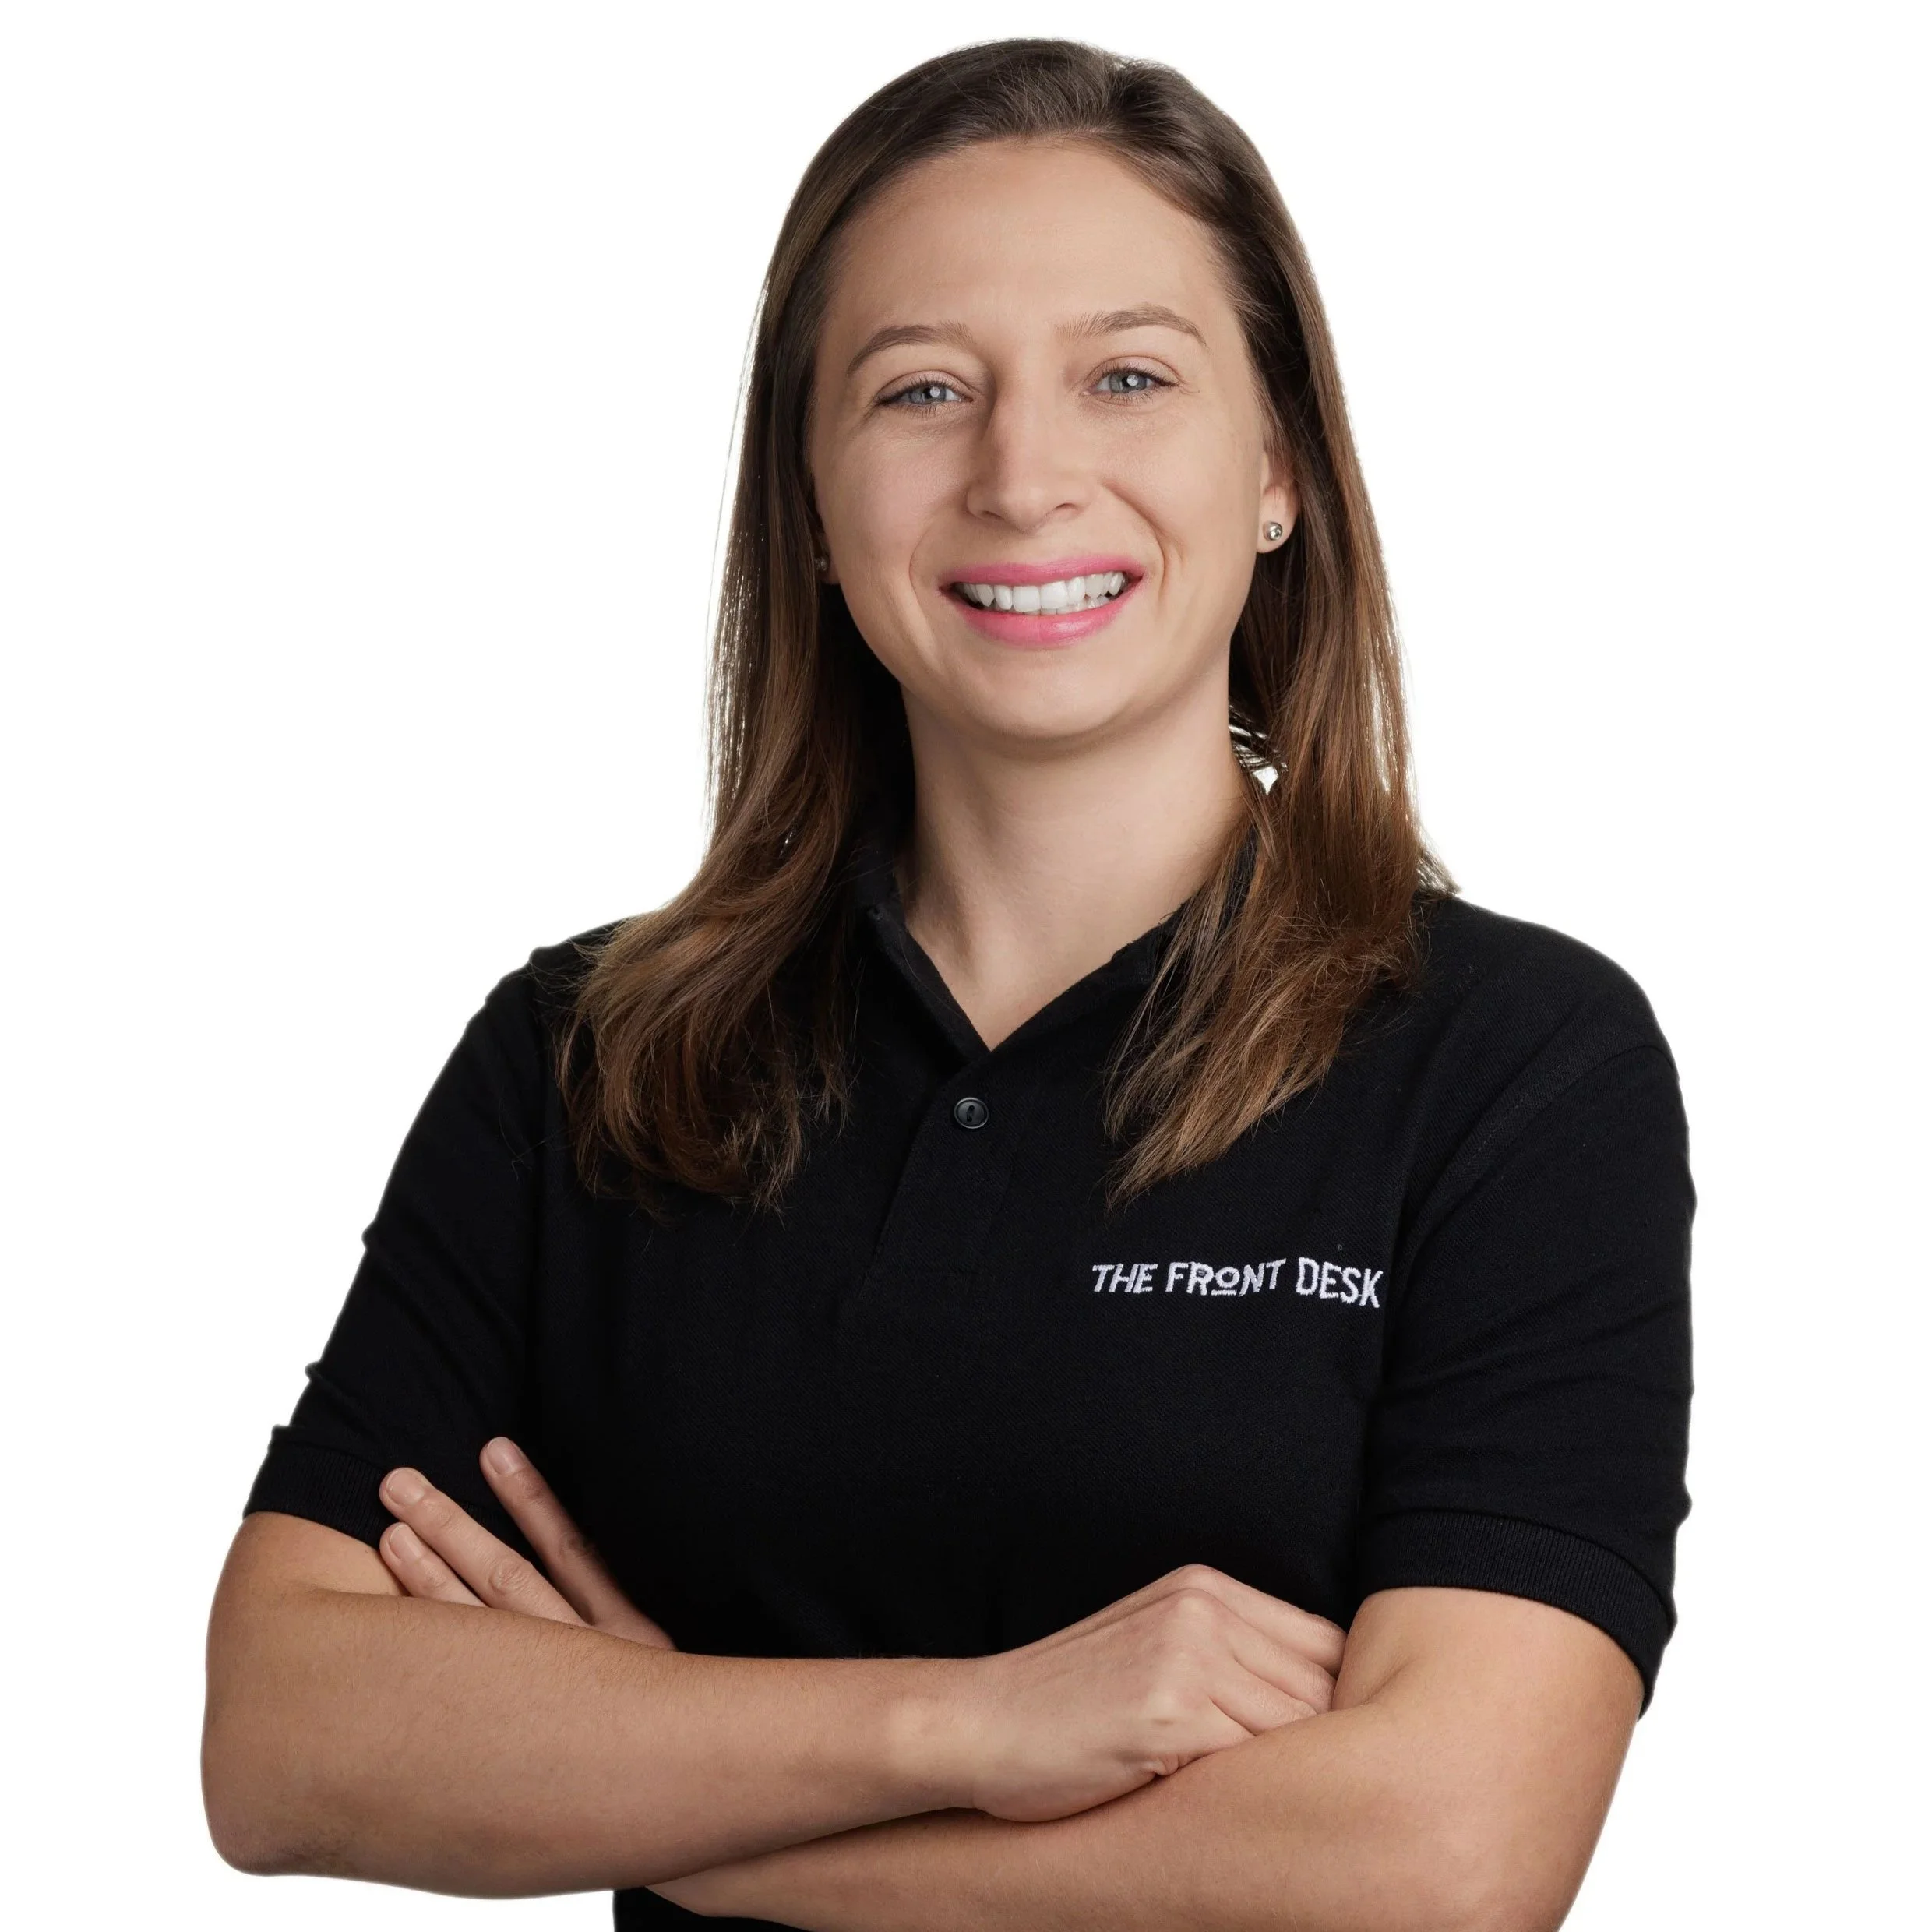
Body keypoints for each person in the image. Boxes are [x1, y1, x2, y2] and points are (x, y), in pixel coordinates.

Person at [203, 37, 1694, 1932]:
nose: (1020, 473)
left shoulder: (1511, 1065)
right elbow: (283, 1742)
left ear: (1277, 472)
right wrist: (974, 1725)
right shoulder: (586, 1060)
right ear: (813, 508)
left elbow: (1437, 1856)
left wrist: (647, 1767)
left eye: (1127, 377)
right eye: (921, 390)